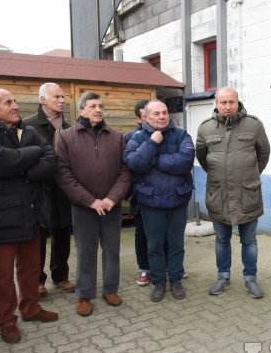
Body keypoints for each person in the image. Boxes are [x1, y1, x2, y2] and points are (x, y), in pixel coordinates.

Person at [0, 89, 59, 344]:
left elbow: (51, 160)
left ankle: (30, 307)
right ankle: (6, 320)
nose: (15, 106)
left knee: (30, 268)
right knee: (2, 276)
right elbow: (4, 161)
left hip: (28, 213)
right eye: (8, 102)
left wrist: (24, 171)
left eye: (15, 101)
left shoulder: (28, 132)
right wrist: (28, 158)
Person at [55, 92, 131, 317]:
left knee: (112, 251)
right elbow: (62, 174)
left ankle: (110, 289)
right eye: (92, 106)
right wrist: (89, 200)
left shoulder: (116, 137)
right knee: (86, 252)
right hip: (83, 207)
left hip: (111, 206)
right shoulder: (66, 137)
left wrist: (111, 199)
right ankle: (84, 294)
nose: (98, 109)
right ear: (81, 111)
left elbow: (125, 171)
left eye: (101, 106)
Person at [196, 87, 270, 298]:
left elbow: (263, 154)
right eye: (223, 102)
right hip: (219, 194)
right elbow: (202, 157)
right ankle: (223, 276)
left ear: (238, 102)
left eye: (231, 102)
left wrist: (249, 174)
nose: (227, 106)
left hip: (247, 194)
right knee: (221, 240)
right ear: (216, 104)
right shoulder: (206, 128)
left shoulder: (253, 125)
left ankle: (250, 278)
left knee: (249, 241)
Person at [124, 100, 195, 301]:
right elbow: (134, 163)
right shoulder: (138, 137)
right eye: (156, 113)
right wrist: (152, 142)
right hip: (151, 202)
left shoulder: (182, 135)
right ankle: (158, 282)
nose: (162, 116)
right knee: (154, 245)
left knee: (176, 244)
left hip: (177, 201)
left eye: (164, 112)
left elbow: (185, 162)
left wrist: (153, 160)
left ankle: (175, 280)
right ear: (146, 117)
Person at [24, 83, 75, 296]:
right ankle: (36, 280)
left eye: (63, 96)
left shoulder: (69, 127)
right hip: (38, 190)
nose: (62, 100)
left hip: (62, 190)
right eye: (57, 97)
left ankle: (60, 276)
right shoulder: (28, 126)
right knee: (38, 236)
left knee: (62, 232)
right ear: (43, 100)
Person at [124, 100, 151, 285]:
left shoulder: (164, 133)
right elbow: (124, 167)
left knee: (163, 232)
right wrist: (128, 192)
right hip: (139, 193)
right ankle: (144, 269)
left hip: (160, 192)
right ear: (139, 118)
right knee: (141, 232)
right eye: (145, 115)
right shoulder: (129, 137)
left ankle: (167, 266)